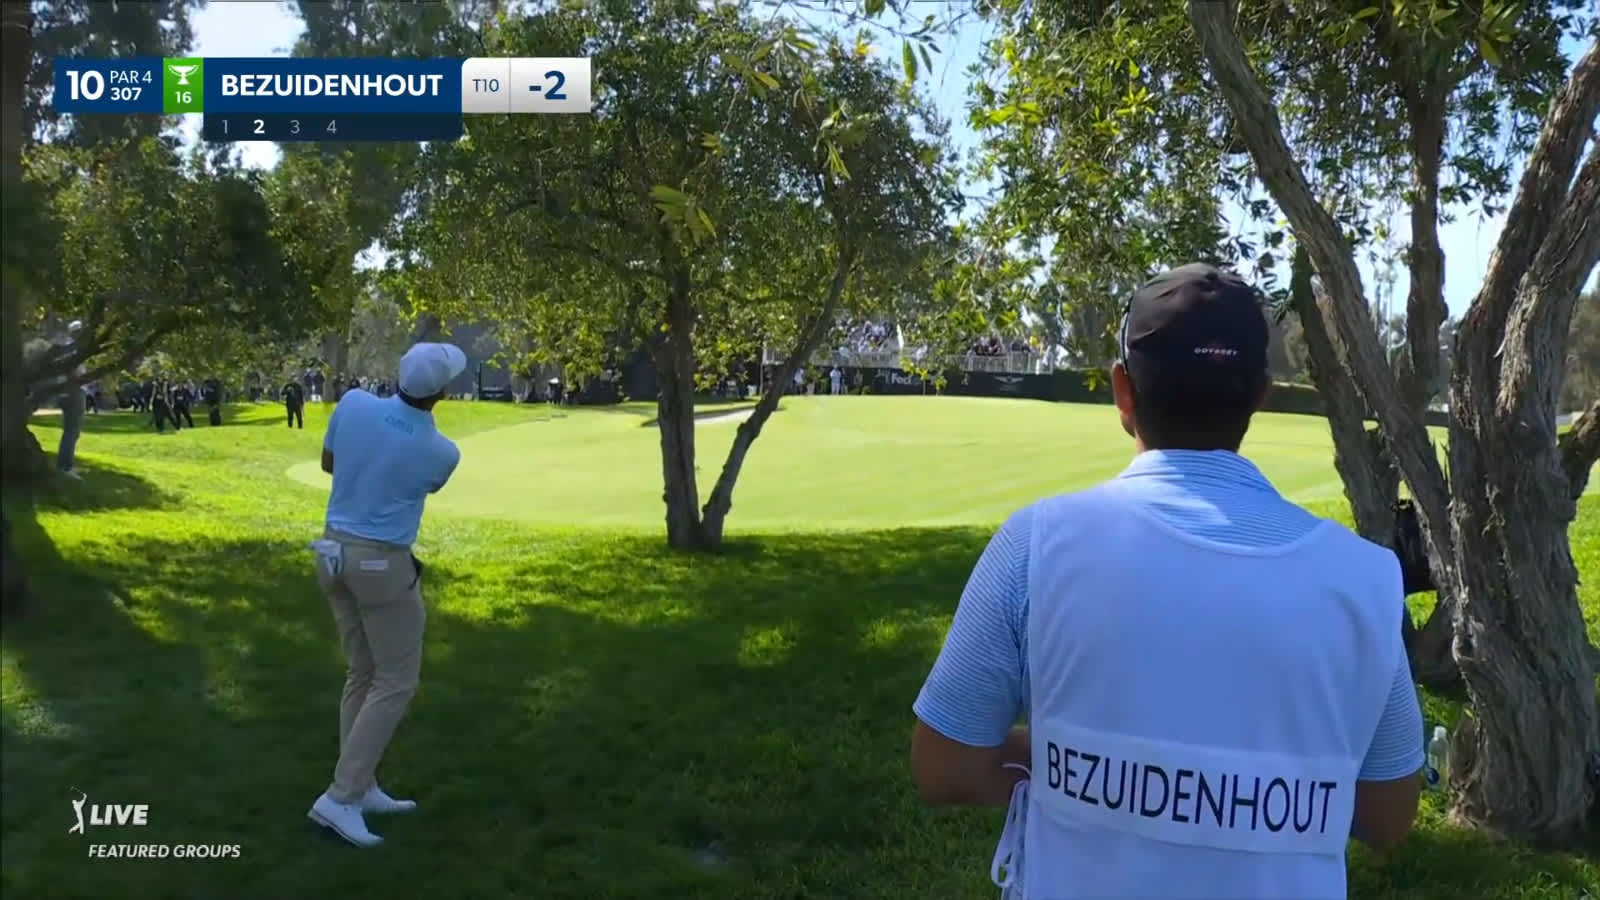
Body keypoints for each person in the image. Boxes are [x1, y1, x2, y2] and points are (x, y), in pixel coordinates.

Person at [909, 264, 1422, 900]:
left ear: (1124, 391)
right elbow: (1388, 816)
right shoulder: (1368, 579)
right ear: (1259, 394)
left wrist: (1080, 758)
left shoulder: (1035, 545)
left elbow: (945, 766)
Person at [305, 342, 466, 848]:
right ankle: (342, 796)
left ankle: (361, 782)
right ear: (441, 392)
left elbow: (331, 462)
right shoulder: (441, 452)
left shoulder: (353, 403)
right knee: (396, 680)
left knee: (364, 671)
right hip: (379, 564)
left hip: (330, 550)